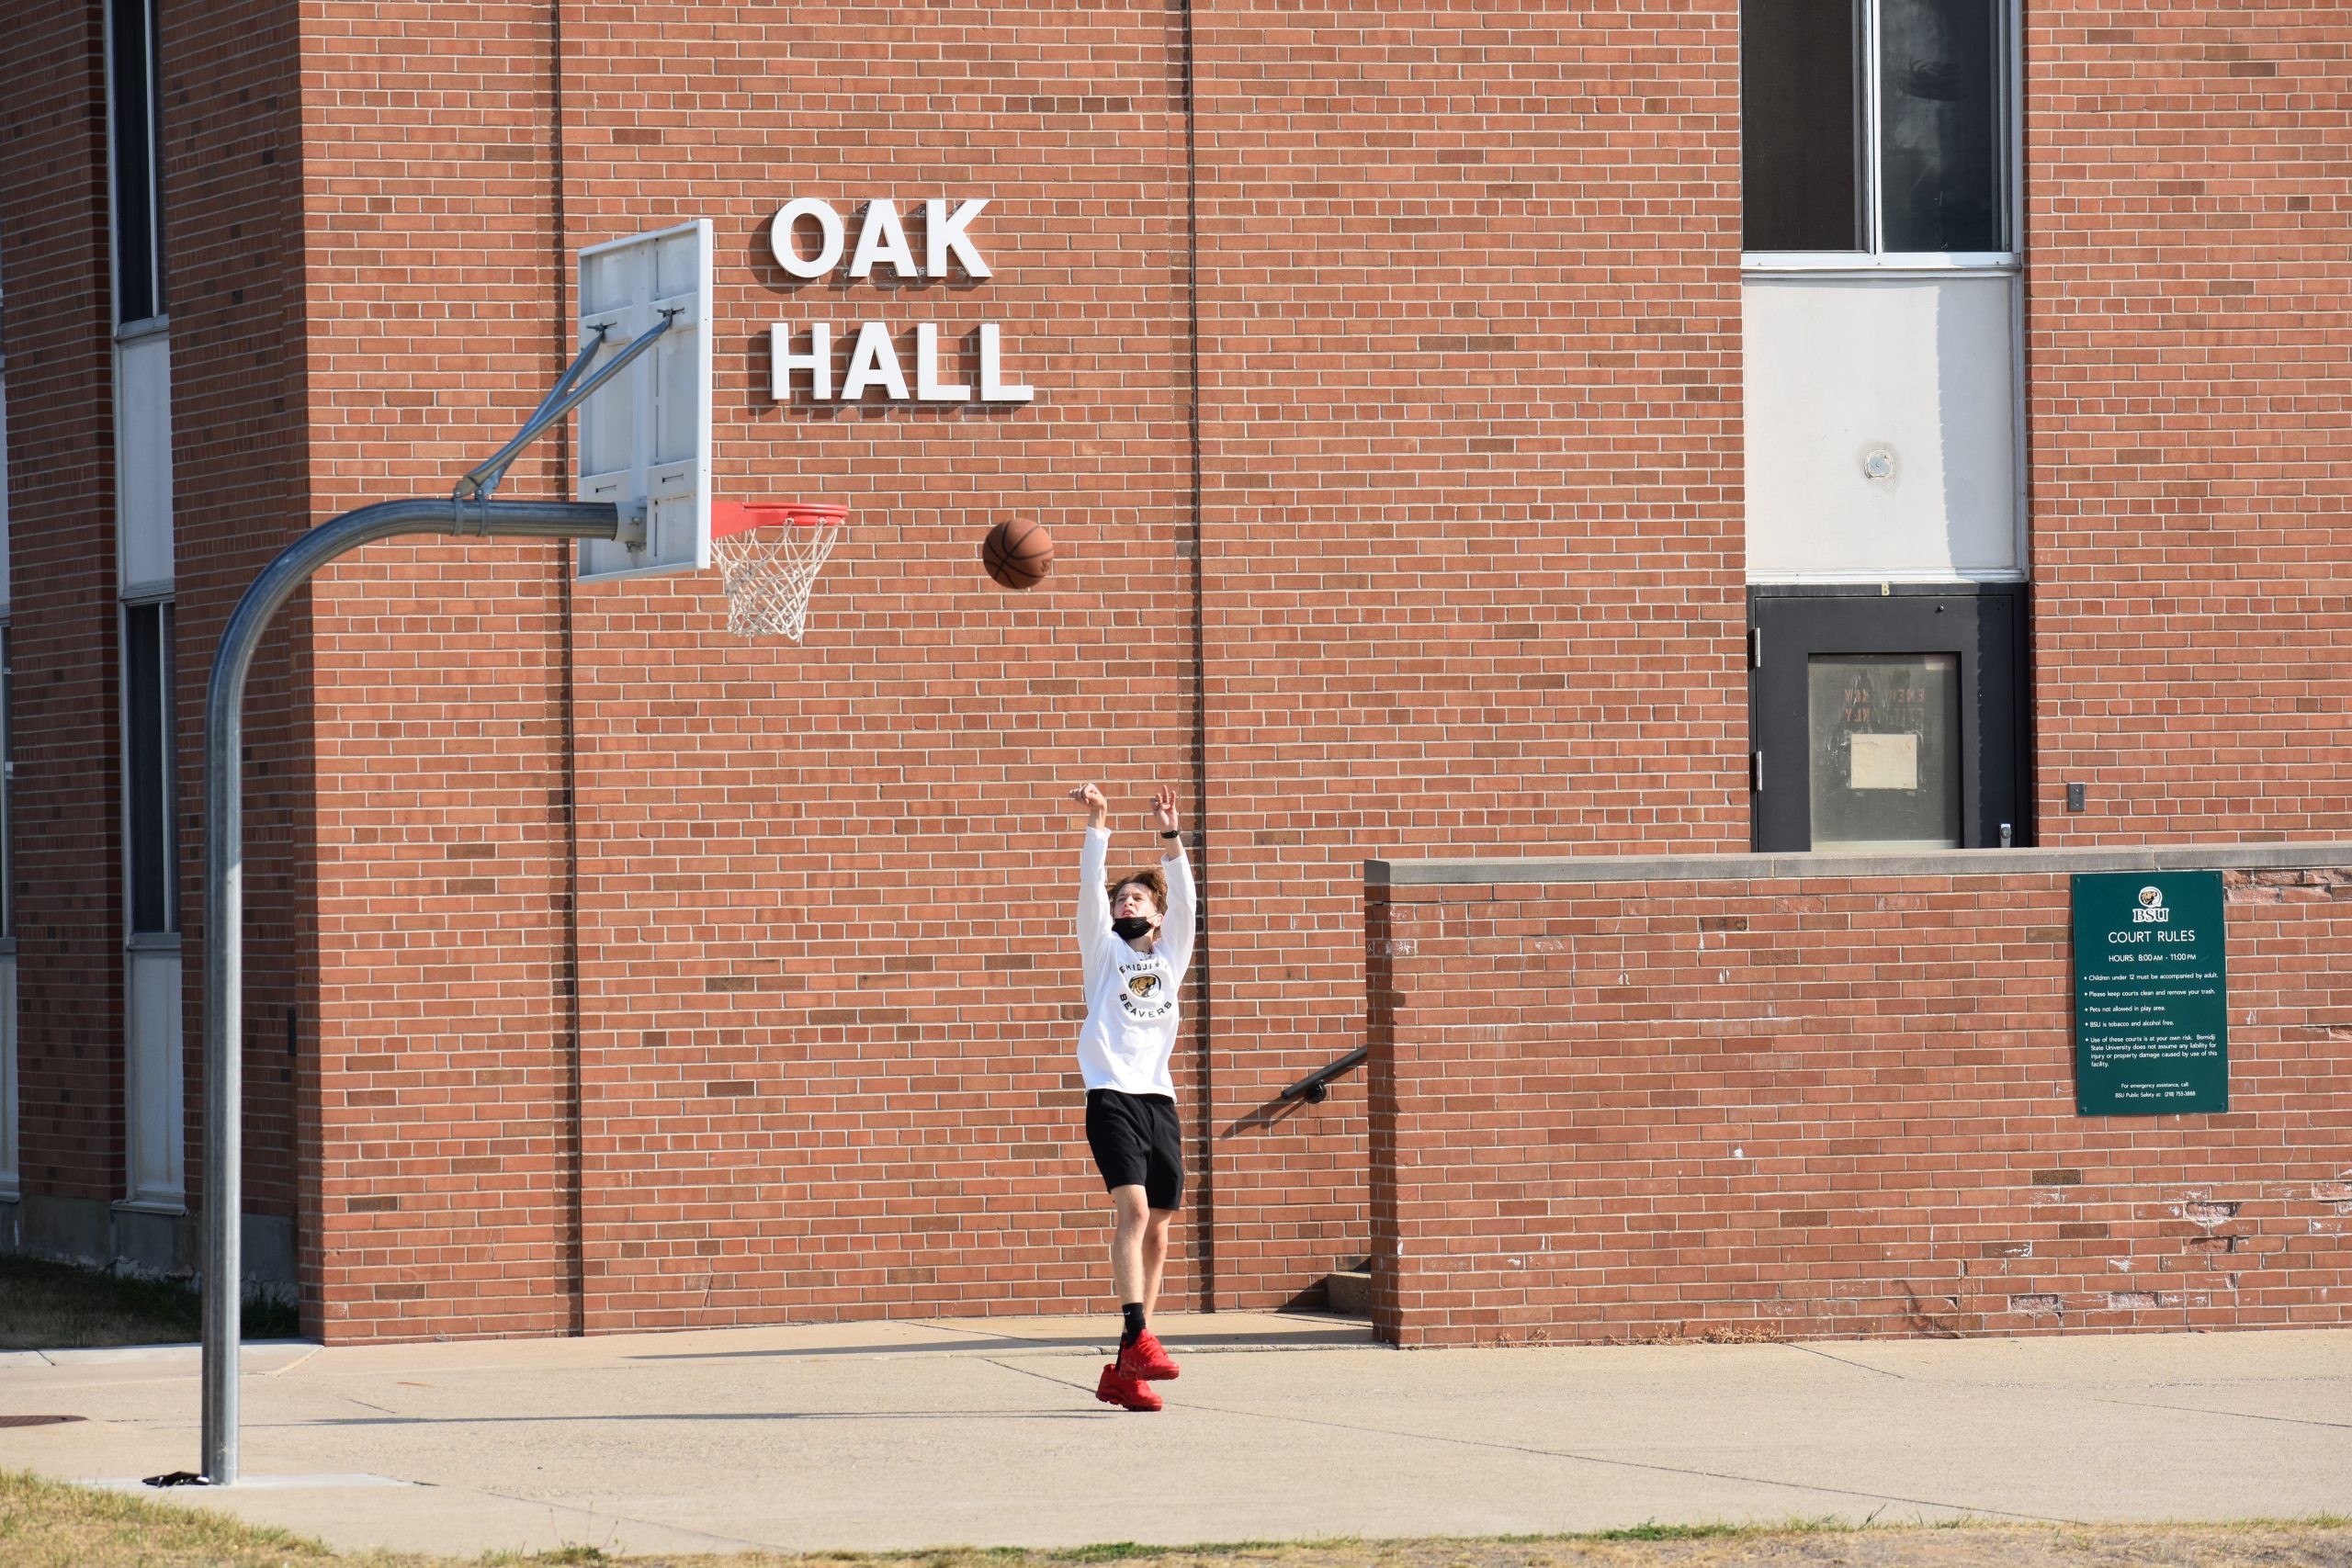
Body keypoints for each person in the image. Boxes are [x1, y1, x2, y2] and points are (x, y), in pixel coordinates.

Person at [1066, 782, 1194, 1413]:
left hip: (1158, 1101)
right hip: (1111, 1092)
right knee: (1135, 1213)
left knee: (1161, 1234)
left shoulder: (1171, 954)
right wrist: (1099, 823)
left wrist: (1171, 838)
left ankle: (1124, 1370)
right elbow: (1091, 892)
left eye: (1136, 895)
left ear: (1158, 914)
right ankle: (1140, 1335)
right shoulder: (1104, 951)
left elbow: (1190, 900)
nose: (1124, 901)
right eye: (1120, 897)